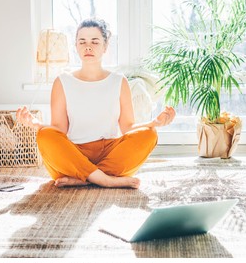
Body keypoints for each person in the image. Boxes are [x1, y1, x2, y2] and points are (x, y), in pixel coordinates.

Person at [17, 18, 175, 189]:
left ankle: (84, 178)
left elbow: (127, 127)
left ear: (105, 47)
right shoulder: (62, 81)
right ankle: (106, 179)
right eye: (82, 42)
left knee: (149, 135)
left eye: (95, 41)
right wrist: (36, 124)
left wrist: (154, 123)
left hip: (110, 152)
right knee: (45, 135)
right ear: (76, 46)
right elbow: (59, 129)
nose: (88, 47)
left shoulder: (119, 81)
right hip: (74, 154)